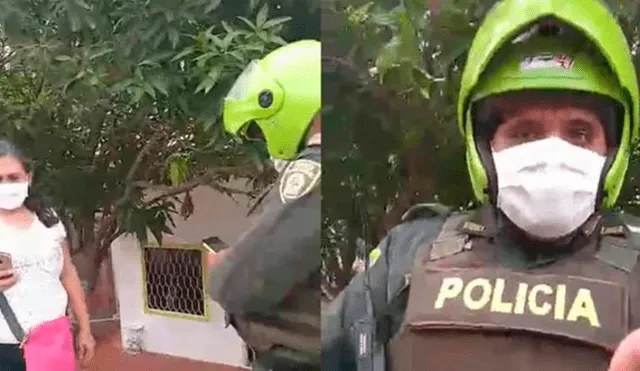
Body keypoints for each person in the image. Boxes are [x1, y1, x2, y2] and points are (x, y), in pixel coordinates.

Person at [321, 1, 640, 370]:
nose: (553, 152)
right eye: (525, 133)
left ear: (611, 152)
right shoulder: (408, 252)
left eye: (579, 133)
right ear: (483, 148)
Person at [206, 39, 321, 371]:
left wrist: (222, 266)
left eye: (259, 127)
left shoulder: (313, 171)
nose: (262, 138)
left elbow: (236, 284)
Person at [0, 139, 95, 370]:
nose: (6, 185)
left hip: (54, 340)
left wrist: (85, 328)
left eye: (13, 177)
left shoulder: (47, 217)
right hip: (6, 348)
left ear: (28, 178)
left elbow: (68, 273)